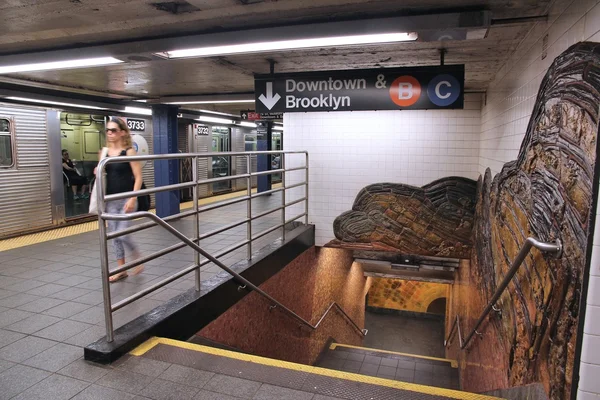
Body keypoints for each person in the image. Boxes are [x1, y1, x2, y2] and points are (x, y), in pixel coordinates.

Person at [102, 117, 144, 282]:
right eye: (108, 130)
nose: (110, 133)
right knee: (114, 236)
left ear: (122, 132)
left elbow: (138, 177)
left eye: (113, 130)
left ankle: (136, 255)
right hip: (110, 200)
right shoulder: (105, 152)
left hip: (127, 199)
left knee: (122, 234)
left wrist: (133, 199)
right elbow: (102, 174)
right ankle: (122, 269)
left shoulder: (129, 152)